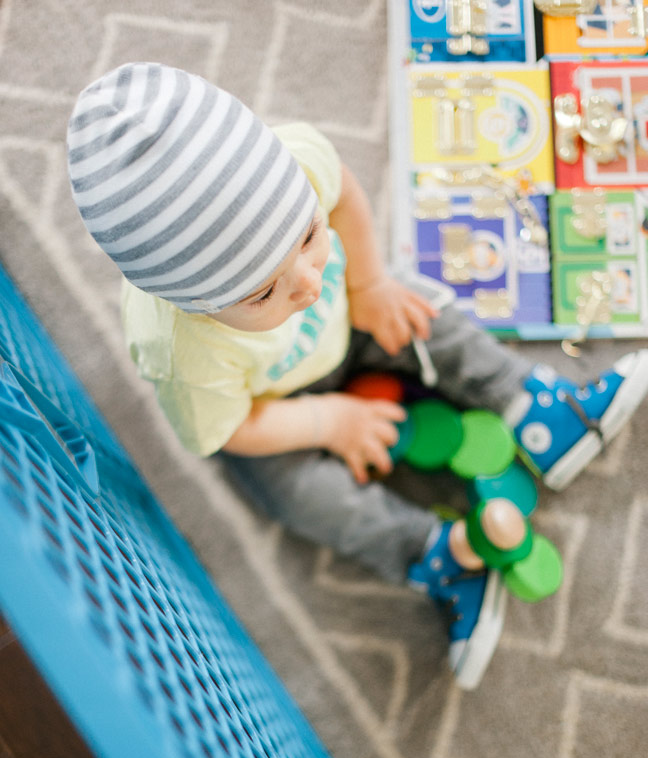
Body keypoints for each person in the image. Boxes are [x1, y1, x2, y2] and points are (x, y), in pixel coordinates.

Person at [67, 62, 648, 688]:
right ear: (195, 306)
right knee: (293, 493)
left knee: (420, 306)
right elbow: (228, 429)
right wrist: (329, 420)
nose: (310, 283)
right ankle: (437, 558)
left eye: (309, 236)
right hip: (276, 409)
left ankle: (534, 414)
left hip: (355, 324)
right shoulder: (181, 348)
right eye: (264, 293)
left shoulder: (295, 160)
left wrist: (367, 283)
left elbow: (340, 190)